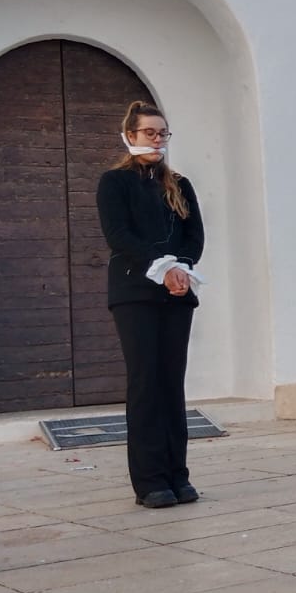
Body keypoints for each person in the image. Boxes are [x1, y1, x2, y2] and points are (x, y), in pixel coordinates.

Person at [96, 101, 205, 509]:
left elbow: (195, 236)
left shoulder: (180, 184)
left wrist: (182, 268)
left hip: (177, 292)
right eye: (149, 133)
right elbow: (118, 235)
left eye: (162, 133)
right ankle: (150, 481)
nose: (157, 140)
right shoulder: (114, 182)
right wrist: (162, 267)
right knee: (145, 382)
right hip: (134, 292)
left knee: (172, 383)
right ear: (130, 135)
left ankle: (178, 475)